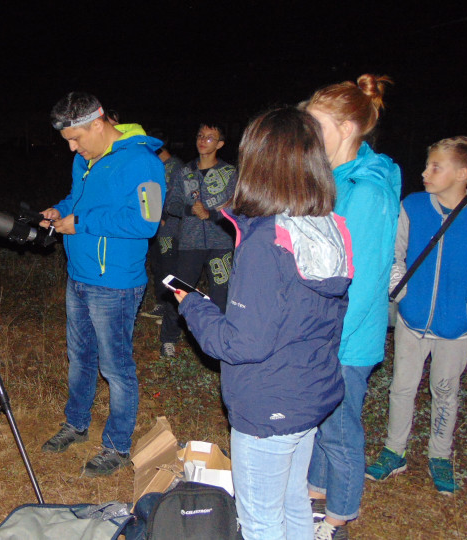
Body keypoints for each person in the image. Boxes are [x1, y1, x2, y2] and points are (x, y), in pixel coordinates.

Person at [175, 106, 352, 539]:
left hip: (268, 402)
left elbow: (242, 344)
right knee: (293, 502)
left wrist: (193, 305)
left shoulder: (267, 242)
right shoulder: (328, 226)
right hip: (310, 392)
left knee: (260, 523)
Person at [366, 136, 467, 495]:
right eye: (427, 164)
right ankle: (394, 451)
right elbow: (395, 252)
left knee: (445, 390)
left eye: (435, 167)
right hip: (412, 320)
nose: (424, 172)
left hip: (455, 328)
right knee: (401, 387)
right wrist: (400, 290)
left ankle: (440, 455)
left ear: (463, 173)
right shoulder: (413, 205)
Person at [38, 92, 166, 477]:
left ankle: (117, 445)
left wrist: (82, 223)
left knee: (115, 367)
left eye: (76, 138)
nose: (72, 148)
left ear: (98, 124)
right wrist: (61, 210)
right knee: (80, 358)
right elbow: (77, 199)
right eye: (67, 141)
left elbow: (148, 222)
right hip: (78, 275)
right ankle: (76, 424)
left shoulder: (144, 163)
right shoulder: (84, 159)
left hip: (115, 284)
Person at [302, 74, 401, 540]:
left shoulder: (367, 191)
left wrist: (325, 340)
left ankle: (339, 517)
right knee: (323, 422)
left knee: (341, 430)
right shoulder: (335, 178)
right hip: (326, 328)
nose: (308, 135)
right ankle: (317, 492)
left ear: (345, 128)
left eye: (316, 126)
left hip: (345, 337)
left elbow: (362, 282)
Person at [158, 122, 237, 357]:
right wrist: (189, 209)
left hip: (221, 242)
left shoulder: (229, 173)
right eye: (200, 136)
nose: (203, 140)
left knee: (221, 293)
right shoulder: (185, 172)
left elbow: (236, 206)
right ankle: (169, 338)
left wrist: (211, 214)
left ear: (220, 144)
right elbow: (171, 204)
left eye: (210, 137)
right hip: (190, 242)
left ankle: (218, 342)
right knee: (180, 290)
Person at [139, 130, 186, 326]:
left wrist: (164, 217)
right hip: (156, 226)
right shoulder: (155, 166)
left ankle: (172, 311)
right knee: (157, 266)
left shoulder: (177, 167)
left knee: (169, 268)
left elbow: (178, 198)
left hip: (171, 227)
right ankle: (161, 305)